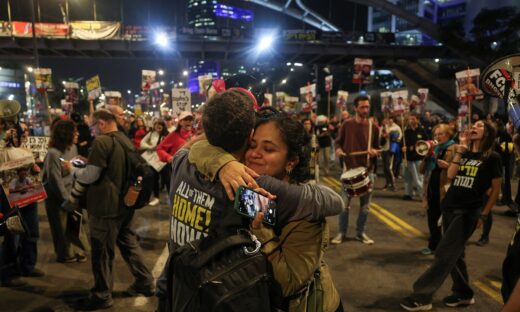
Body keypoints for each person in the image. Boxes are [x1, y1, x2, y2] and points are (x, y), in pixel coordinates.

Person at [157, 90, 344, 311]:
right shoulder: (244, 192)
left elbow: (288, 284)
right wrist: (223, 163)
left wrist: (262, 232)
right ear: (248, 136)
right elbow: (331, 201)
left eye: (268, 149)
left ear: (291, 161)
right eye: (253, 145)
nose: (254, 153)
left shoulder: (184, 165)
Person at [401, 121, 502, 311]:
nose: (474, 127)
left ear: (487, 133)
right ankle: (463, 293)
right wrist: (461, 150)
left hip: (468, 212)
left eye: (479, 126)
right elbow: (450, 175)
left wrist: (484, 214)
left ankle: (422, 296)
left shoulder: (492, 157)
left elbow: (496, 190)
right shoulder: (463, 151)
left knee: (444, 253)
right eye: (474, 125)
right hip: (449, 207)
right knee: (456, 255)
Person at [68, 109, 154, 310]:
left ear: (101, 124)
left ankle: (102, 294)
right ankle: (145, 282)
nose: (91, 132)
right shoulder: (123, 138)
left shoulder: (102, 142)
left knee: (102, 252)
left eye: (92, 127)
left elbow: (90, 176)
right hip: (125, 204)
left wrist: (72, 169)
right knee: (129, 244)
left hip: (105, 207)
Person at [332, 95, 380, 245]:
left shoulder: (374, 127)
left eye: (367, 107)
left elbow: (377, 147)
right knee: (344, 206)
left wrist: (374, 151)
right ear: (355, 108)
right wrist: (339, 150)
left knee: (365, 208)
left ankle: (360, 233)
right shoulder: (347, 124)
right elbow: (338, 142)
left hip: (367, 171)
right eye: (362, 107)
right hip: (349, 171)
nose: (365, 110)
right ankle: (342, 232)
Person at [42, 120, 89, 263]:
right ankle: (65, 254)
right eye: (74, 132)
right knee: (60, 227)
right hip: (57, 197)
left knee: (75, 224)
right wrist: (66, 199)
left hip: (72, 193)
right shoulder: (53, 153)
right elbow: (54, 180)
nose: (78, 134)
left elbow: (74, 169)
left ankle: (78, 250)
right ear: (65, 134)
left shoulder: (73, 148)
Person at [420, 124, 456, 255]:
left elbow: (459, 170)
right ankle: (433, 245)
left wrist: (448, 166)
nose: (437, 137)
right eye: (435, 134)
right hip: (432, 189)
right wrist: (427, 156)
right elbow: (422, 170)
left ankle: (447, 250)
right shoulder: (434, 149)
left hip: (446, 190)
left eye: (440, 134)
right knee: (432, 219)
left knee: (446, 221)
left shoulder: (454, 148)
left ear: (448, 134)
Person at [140, 119, 169, 206]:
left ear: (163, 126)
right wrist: (150, 147)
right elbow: (142, 143)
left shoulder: (168, 135)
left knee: (168, 180)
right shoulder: (151, 134)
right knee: (154, 179)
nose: (158, 126)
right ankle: (156, 197)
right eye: (156, 124)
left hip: (164, 161)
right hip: (153, 161)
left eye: (160, 124)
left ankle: (172, 197)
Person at [402, 113, 427, 200]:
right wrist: (403, 148)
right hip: (407, 158)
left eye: (413, 119)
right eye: (410, 119)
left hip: (417, 158)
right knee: (407, 177)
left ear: (417, 120)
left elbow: (426, 143)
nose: (411, 121)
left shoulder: (422, 131)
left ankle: (423, 196)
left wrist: (418, 148)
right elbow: (402, 143)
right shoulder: (406, 132)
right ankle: (408, 194)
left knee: (418, 179)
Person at [381, 117, 401, 191]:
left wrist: (392, 136)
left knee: (389, 167)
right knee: (385, 168)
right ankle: (387, 183)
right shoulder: (383, 127)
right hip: (383, 149)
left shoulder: (396, 128)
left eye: (390, 120)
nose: (388, 121)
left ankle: (393, 184)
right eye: (387, 120)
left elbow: (399, 138)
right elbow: (380, 138)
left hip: (390, 149)